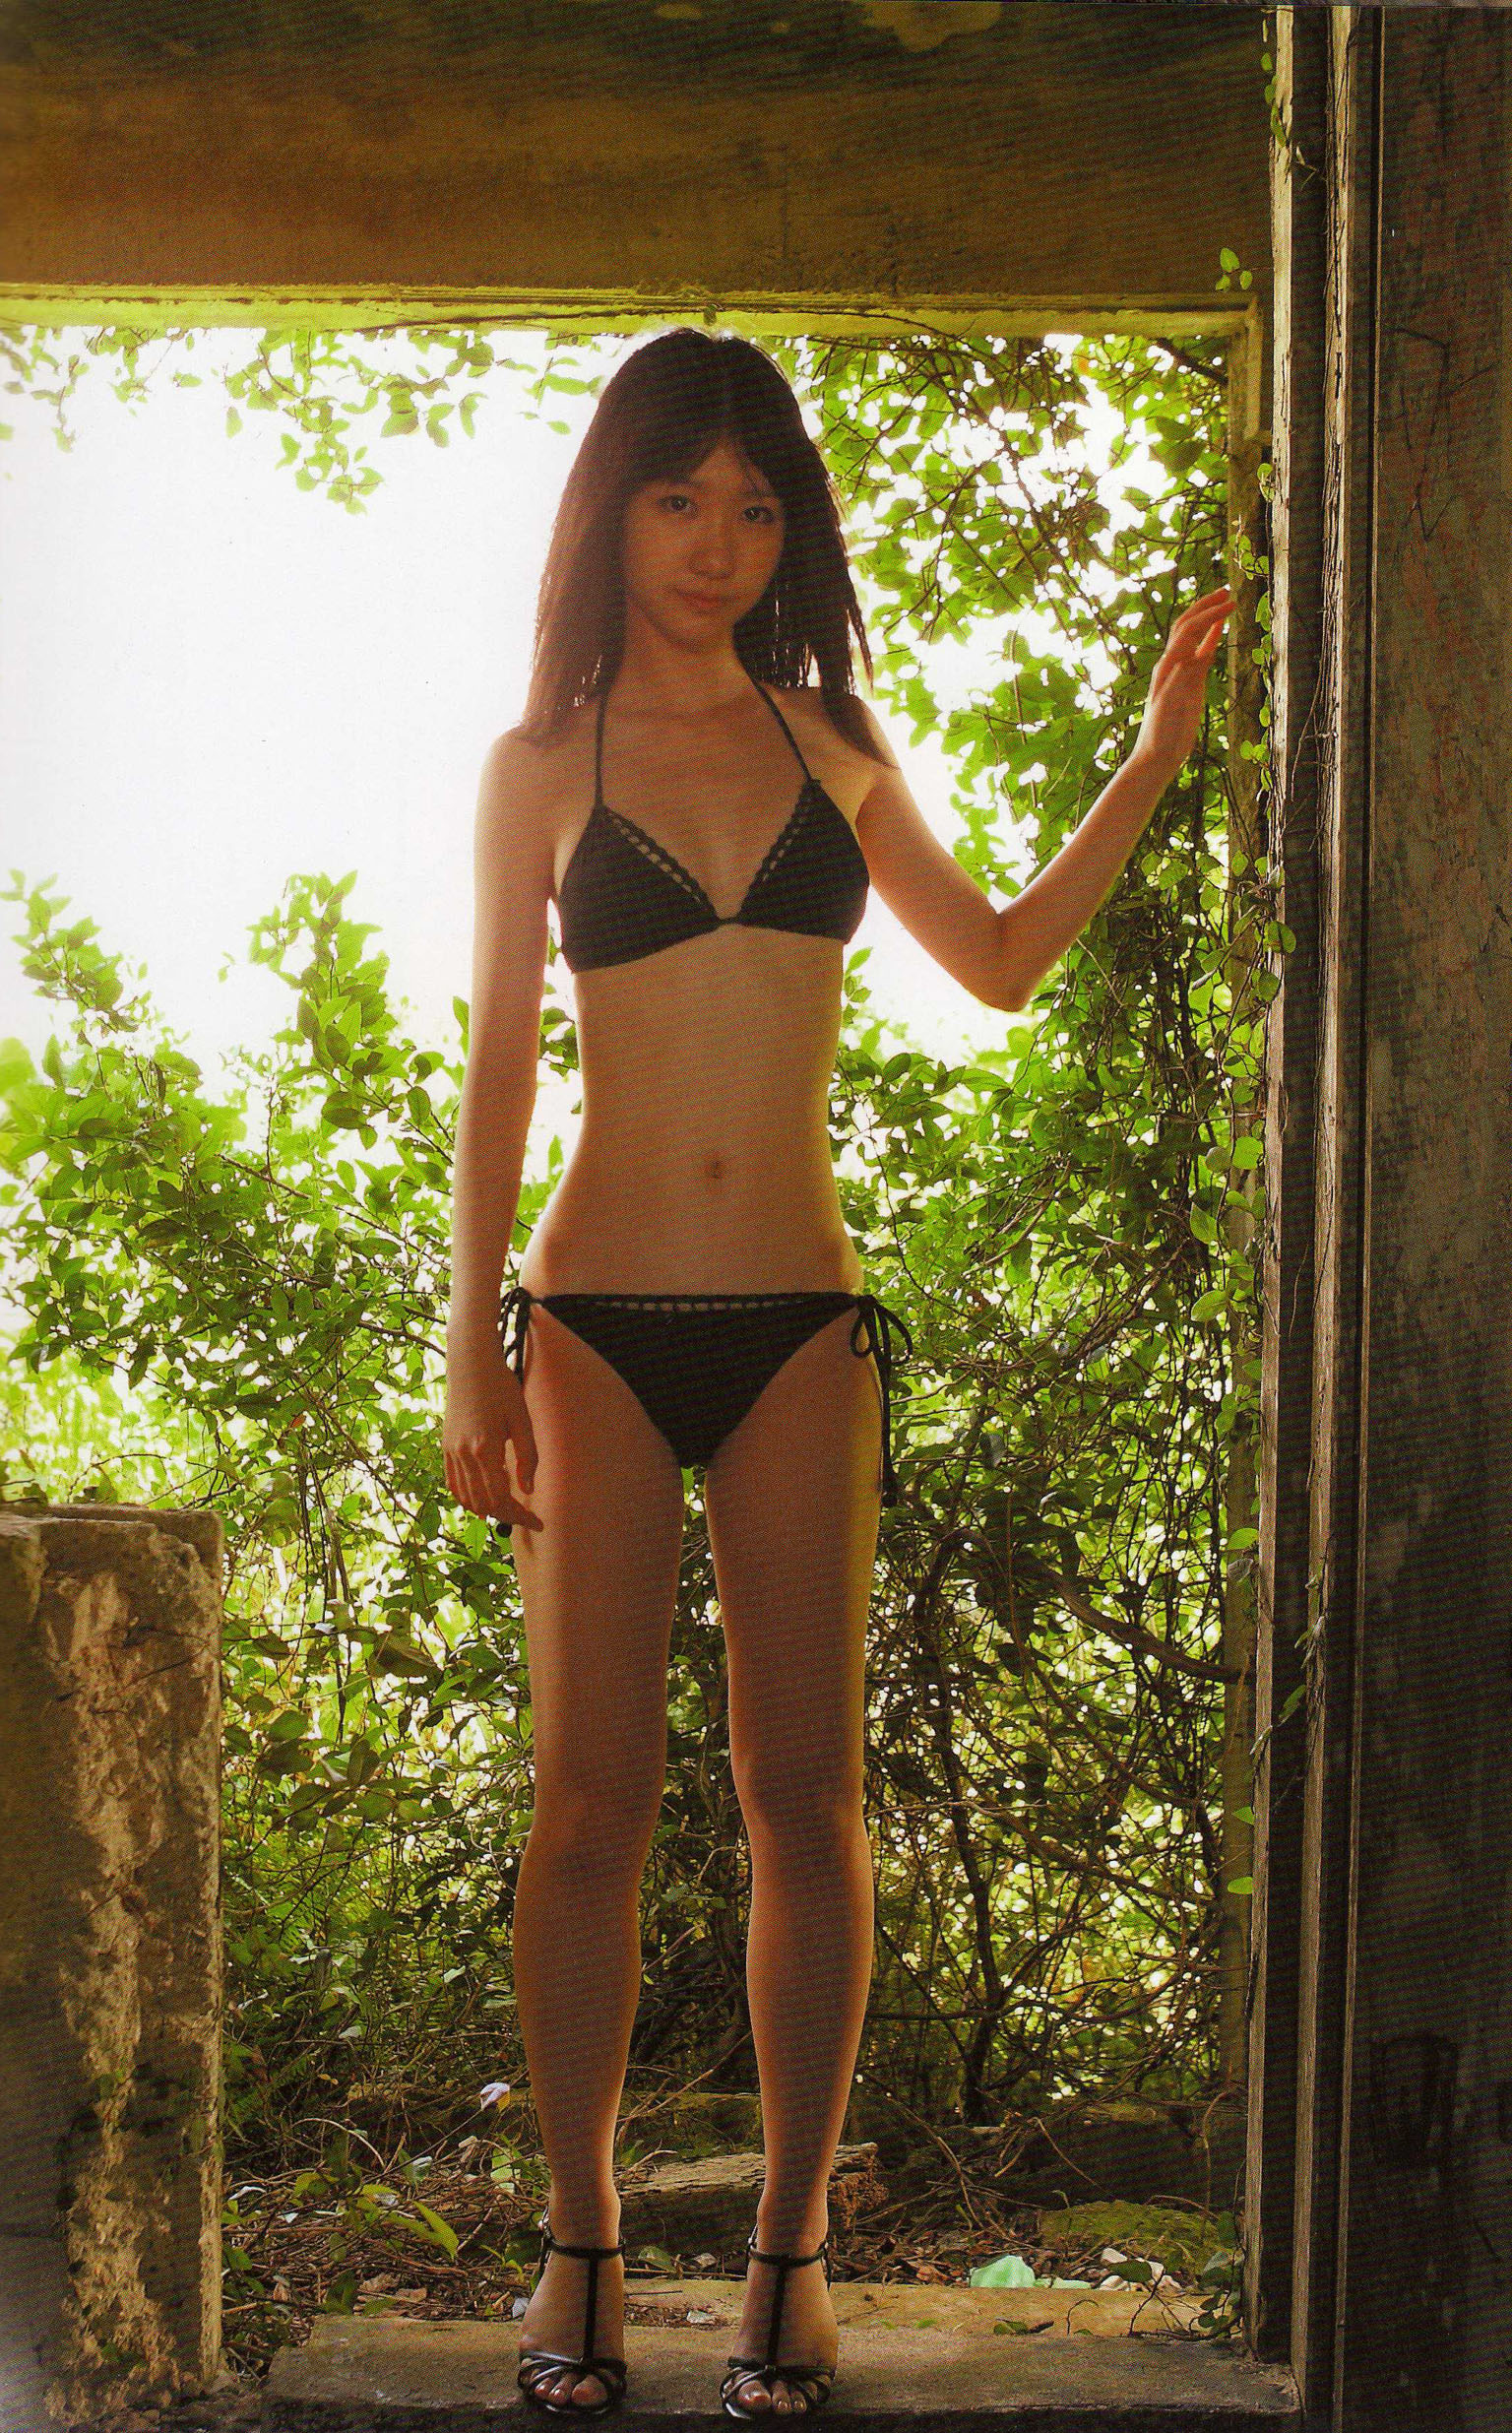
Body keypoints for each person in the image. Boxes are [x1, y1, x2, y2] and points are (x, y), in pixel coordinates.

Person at [442, 328, 1229, 2418]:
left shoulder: (831, 745)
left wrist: (1152, 755)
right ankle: (582, 2246)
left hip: (800, 1323)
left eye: (754, 505)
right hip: (593, 1325)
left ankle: (787, 2259)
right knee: (586, 1805)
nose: (716, 541)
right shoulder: (541, 766)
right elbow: (502, 1065)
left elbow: (999, 960)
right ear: (610, 513)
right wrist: (468, 1349)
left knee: (807, 1795)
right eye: (678, 498)